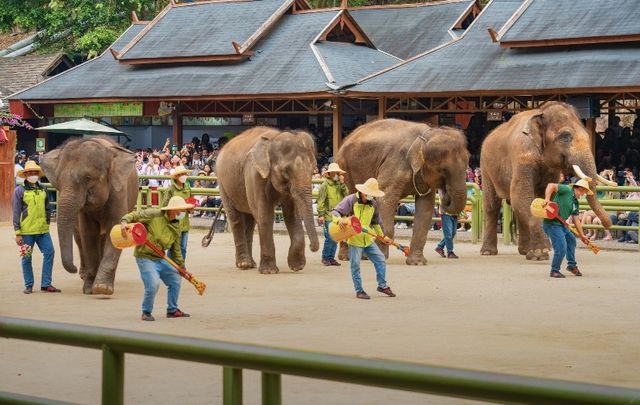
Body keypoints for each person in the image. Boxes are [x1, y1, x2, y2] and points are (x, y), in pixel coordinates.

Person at [120, 196, 193, 321]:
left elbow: (176, 250)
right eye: (181, 210)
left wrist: (182, 267)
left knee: (175, 279)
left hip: (160, 257)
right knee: (153, 284)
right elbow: (134, 215)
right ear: (172, 210)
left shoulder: (176, 226)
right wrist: (124, 222)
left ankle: (172, 310)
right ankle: (146, 312)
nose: (183, 214)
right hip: (145, 257)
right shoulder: (155, 214)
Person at [332, 178, 395, 299]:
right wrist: (339, 220)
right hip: (354, 239)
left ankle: (382, 285)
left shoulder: (374, 204)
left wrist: (383, 237)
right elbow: (335, 211)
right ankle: (359, 290)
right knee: (355, 265)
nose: (372, 196)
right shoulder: (351, 200)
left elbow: (376, 223)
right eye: (370, 194)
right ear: (363, 192)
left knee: (380, 259)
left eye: (373, 194)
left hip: (368, 238)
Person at [12, 160, 59, 294]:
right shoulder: (19, 191)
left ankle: (46, 284)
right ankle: (29, 285)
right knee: (26, 258)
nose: (33, 174)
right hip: (26, 232)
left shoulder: (43, 189)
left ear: (38, 174)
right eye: (30, 172)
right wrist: (17, 232)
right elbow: (16, 212)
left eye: (35, 172)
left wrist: (47, 222)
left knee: (50, 252)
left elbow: (48, 208)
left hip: (43, 231)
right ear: (26, 175)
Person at [541, 179, 592, 278]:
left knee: (571, 240)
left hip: (562, 225)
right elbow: (551, 185)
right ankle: (554, 270)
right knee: (561, 247)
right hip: (552, 224)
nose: (583, 195)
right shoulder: (567, 190)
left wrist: (582, 235)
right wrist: (547, 199)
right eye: (584, 193)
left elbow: (576, 220)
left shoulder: (575, 203)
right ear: (580, 189)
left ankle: (572, 266)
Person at [317, 162, 349, 266]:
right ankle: (325, 257)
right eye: (334, 173)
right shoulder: (324, 186)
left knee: (336, 237)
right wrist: (321, 214)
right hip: (328, 215)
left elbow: (346, 195)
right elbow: (321, 201)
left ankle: (331, 258)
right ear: (329, 174)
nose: (336, 175)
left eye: (337, 173)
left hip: (338, 215)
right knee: (330, 237)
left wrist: (342, 183)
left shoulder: (339, 185)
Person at [161, 166, 192, 260]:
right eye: (182, 174)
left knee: (183, 247)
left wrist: (191, 208)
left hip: (185, 222)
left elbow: (190, 204)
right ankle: (171, 267)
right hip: (173, 222)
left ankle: (181, 267)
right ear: (177, 176)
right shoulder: (170, 190)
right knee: (172, 247)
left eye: (185, 174)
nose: (184, 176)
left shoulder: (188, 189)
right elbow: (164, 205)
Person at [434, 189, 459, 259]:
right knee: (448, 234)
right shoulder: (441, 188)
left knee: (453, 233)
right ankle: (450, 252)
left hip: (454, 213)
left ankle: (440, 247)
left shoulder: (455, 185)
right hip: (446, 212)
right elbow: (443, 199)